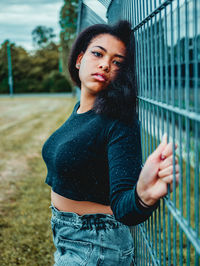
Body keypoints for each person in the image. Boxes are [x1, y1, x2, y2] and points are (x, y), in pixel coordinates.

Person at [42, 20, 179, 265]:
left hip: (98, 245)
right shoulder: (81, 111)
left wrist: (142, 196)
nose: (105, 65)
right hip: (68, 235)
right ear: (79, 59)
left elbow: (123, 207)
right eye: (98, 54)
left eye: (117, 62)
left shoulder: (118, 121)